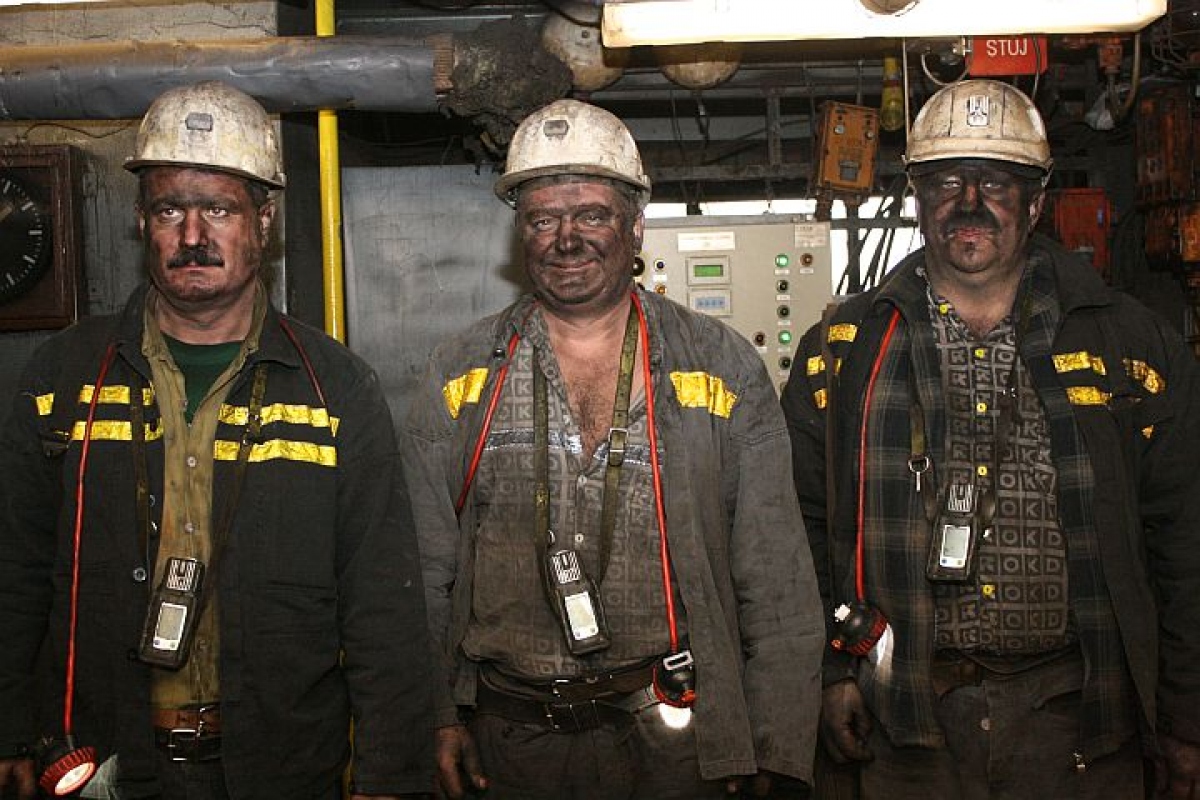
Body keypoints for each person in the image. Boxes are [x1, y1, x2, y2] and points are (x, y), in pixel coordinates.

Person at [0, 81, 433, 800]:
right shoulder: (65, 378)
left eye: (220, 210)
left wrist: (389, 771)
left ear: (264, 222)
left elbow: (381, 595)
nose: (192, 236)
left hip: (281, 766)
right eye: (169, 209)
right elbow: (14, 566)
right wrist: (9, 730)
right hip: (102, 762)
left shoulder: (334, 387)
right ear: (142, 222)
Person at [782, 78, 1200, 799]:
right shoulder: (843, 349)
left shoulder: (1129, 346)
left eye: (996, 184)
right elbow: (803, 527)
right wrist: (827, 673)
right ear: (917, 198)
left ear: (1035, 203)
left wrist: (1186, 715)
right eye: (946, 182)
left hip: (1081, 716)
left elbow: (1184, 538)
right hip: (903, 717)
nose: (969, 203)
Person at [400, 98, 823, 800]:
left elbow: (774, 570)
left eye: (592, 215)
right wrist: (437, 716)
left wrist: (776, 742)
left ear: (635, 226)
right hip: (511, 744)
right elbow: (422, 568)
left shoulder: (718, 366)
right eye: (543, 219)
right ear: (520, 232)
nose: (567, 238)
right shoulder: (463, 372)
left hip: (676, 739)